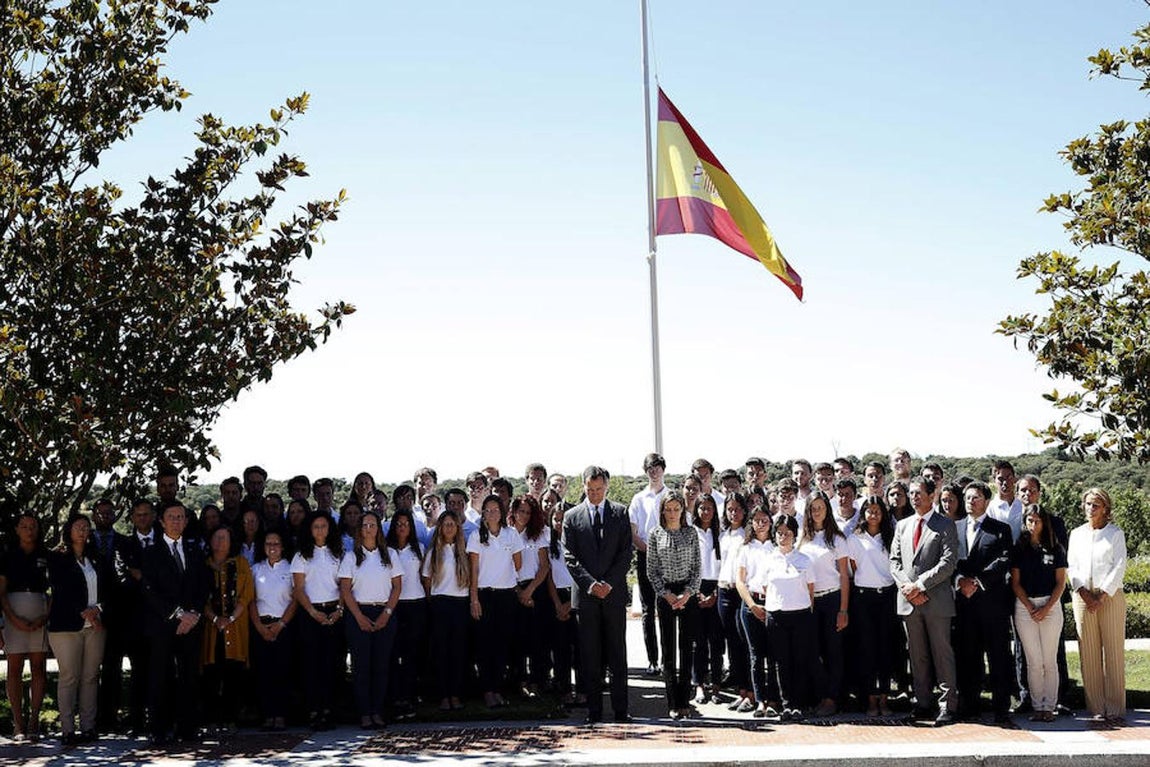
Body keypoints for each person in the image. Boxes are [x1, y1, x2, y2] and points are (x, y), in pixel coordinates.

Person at [563, 465, 633, 724]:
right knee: (589, 656)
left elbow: (626, 553)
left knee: (617, 654)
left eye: (599, 489)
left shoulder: (620, 512)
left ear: (606, 487)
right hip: (586, 598)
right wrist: (592, 585)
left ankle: (621, 710)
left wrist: (609, 583)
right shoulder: (571, 516)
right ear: (583, 486)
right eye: (590, 489)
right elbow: (570, 557)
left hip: (613, 595)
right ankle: (593, 711)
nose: (594, 493)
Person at [889, 477, 958, 727]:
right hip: (909, 602)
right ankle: (923, 703)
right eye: (911, 493)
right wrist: (908, 589)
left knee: (942, 654)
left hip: (936, 601)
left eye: (919, 493)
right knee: (917, 655)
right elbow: (894, 562)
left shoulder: (945, 524)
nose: (914, 497)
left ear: (932, 495)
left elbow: (948, 562)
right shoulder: (903, 525)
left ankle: (947, 705)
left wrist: (919, 585)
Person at [140, 502, 210, 745]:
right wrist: (177, 614)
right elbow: (149, 590)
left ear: (187, 521)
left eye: (181, 517)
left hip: (191, 624)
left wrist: (194, 614)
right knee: (161, 676)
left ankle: (187, 727)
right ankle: (159, 728)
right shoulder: (151, 552)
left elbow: (203, 585)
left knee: (189, 675)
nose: (177, 521)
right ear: (161, 521)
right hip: (163, 624)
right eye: (172, 517)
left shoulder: (194, 550)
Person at [953, 481, 1015, 723]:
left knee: (998, 657)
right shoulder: (955, 528)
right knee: (968, 657)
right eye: (968, 497)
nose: (971, 501)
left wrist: (977, 582)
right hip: (964, 605)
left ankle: (1001, 709)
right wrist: (960, 581)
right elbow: (950, 560)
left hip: (992, 605)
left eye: (976, 497)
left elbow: (1004, 560)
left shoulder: (1000, 529)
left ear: (987, 501)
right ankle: (970, 705)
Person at [47, 514, 108, 745]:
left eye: (86, 527)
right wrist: (84, 612)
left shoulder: (97, 557)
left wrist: (97, 610)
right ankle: (67, 729)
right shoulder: (57, 557)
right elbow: (60, 590)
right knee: (69, 676)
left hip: (96, 625)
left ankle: (88, 727)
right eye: (78, 527)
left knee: (90, 676)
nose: (83, 531)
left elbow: (109, 588)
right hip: (66, 625)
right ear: (69, 530)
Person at [1067, 487, 1127, 723]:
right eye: (1088, 504)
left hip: (1110, 598)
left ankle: (1115, 709)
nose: (1090, 508)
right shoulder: (1076, 534)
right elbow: (1071, 566)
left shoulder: (1115, 534)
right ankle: (1096, 708)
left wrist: (1101, 596)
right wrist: (1084, 593)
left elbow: (1119, 565)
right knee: (1088, 653)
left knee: (1113, 653)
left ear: (1105, 509)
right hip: (1082, 598)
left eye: (1096, 505)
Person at [339, 511, 401, 729]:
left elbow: (397, 587)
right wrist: (359, 617)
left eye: (372, 524)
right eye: (364, 525)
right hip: (358, 614)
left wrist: (386, 613)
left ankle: (377, 711)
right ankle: (364, 713)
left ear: (378, 528)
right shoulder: (350, 556)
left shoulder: (390, 554)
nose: (368, 529)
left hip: (384, 612)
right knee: (361, 667)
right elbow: (345, 589)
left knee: (381, 666)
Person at [646, 491, 701, 720]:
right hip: (665, 593)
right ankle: (672, 702)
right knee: (668, 650)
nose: (672, 513)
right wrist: (665, 594)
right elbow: (651, 570)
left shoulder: (691, 533)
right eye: (668, 509)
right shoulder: (655, 534)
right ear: (662, 511)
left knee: (687, 648)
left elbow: (697, 567)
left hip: (687, 593)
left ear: (682, 510)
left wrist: (687, 594)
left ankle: (684, 700)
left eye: (676, 509)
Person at [1011, 506, 1067, 722]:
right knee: (1034, 661)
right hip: (1025, 608)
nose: (1033, 525)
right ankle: (1037, 706)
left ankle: (1049, 707)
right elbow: (1016, 583)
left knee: (1049, 660)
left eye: (1037, 521)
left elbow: (1061, 583)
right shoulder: (1019, 548)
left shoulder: (1055, 548)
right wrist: (1030, 607)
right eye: (1029, 521)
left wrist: (1046, 608)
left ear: (1044, 523)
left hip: (1050, 606)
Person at [468, 493, 523, 709]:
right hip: (484, 596)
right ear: (483, 513)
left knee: (502, 644)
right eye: (488, 510)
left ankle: (498, 689)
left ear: (502, 512)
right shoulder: (476, 536)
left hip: (506, 596)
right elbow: (473, 570)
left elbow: (518, 564)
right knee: (485, 645)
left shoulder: (511, 534)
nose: (492, 513)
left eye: (496, 510)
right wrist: (474, 599)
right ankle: (487, 691)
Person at [290, 511, 345, 730]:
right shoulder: (302, 555)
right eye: (316, 527)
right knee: (311, 664)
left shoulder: (338, 553)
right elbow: (298, 589)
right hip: (310, 613)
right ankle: (314, 710)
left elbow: (344, 585)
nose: (320, 530)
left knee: (332, 663)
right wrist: (313, 612)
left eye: (323, 526)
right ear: (309, 530)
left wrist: (339, 609)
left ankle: (329, 710)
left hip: (334, 612)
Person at [797, 491, 849, 717]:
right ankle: (818, 696)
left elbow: (844, 576)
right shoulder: (802, 539)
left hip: (831, 599)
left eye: (821, 507)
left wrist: (843, 610)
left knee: (833, 651)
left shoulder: (837, 538)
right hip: (808, 601)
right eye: (813, 508)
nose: (817, 511)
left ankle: (832, 698)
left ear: (828, 509)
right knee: (811, 651)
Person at [1, 513, 50, 742]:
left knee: (39, 668)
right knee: (14, 668)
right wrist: (13, 618)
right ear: (17, 529)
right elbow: (1, 592)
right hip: (13, 613)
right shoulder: (6, 555)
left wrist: (45, 616)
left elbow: (53, 590)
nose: (29, 530)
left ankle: (34, 722)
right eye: (24, 526)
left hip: (40, 613)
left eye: (33, 526)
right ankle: (18, 724)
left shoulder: (46, 555)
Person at [200, 526, 254, 733]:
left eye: (225, 538)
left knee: (234, 674)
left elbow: (246, 595)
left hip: (236, 627)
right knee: (211, 675)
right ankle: (212, 720)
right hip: (210, 628)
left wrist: (230, 618)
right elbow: (199, 597)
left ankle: (231, 718)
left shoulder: (241, 563)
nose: (220, 541)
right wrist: (215, 619)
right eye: (217, 537)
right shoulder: (203, 565)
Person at [762, 514, 816, 722]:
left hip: (801, 614)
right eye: (779, 533)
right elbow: (765, 588)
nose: (783, 537)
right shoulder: (768, 559)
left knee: (800, 660)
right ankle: (786, 705)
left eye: (787, 533)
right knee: (781, 662)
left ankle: (798, 705)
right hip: (776, 615)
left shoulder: (804, 560)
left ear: (795, 535)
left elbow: (810, 590)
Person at [847, 495, 897, 716]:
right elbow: (853, 567)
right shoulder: (854, 539)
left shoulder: (891, 536)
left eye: (877, 510)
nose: (873, 514)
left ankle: (884, 699)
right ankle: (869, 700)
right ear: (863, 513)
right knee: (866, 650)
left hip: (887, 597)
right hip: (863, 598)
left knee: (886, 649)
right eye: (869, 510)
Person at [113, 498, 157, 735]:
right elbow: (123, 580)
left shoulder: (164, 542)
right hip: (134, 619)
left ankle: (160, 719)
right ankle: (137, 721)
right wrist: (150, 580)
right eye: (138, 515)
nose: (142, 518)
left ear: (154, 516)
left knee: (162, 670)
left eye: (146, 514)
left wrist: (142, 576)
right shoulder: (123, 545)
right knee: (138, 671)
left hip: (161, 618)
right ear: (132, 518)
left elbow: (167, 579)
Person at [248, 529, 297, 730]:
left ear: (283, 546)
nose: (272, 547)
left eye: (276, 543)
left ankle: (281, 715)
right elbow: (250, 600)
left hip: (283, 626)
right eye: (268, 543)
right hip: (260, 626)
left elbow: (295, 600)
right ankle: (268, 715)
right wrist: (259, 627)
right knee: (263, 673)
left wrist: (281, 624)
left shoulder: (291, 568)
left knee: (282, 671)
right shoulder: (255, 569)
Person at [421, 510, 470, 711]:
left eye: (452, 524)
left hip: (461, 603)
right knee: (441, 651)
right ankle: (443, 695)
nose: (449, 527)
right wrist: (433, 602)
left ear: (458, 527)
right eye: (445, 524)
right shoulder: (433, 552)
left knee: (458, 651)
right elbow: (426, 581)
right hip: (440, 603)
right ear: (440, 527)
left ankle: (455, 694)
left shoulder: (464, 551)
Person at [735, 505, 780, 718]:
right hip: (750, 604)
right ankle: (760, 700)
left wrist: (768, 603)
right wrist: (752, 605)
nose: (761, 524)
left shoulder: (777, 546)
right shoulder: (746, 548)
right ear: (751, 523)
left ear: (770, 522)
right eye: (757, 520)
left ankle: (774, 700)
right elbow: (740, 581)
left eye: (765, 520)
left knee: (773, 655)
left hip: (773, 604)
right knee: (755, 655)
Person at [626, 452, 668, 677]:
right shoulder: (638, 499)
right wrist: (649, 551)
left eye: (657, 468)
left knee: (666, 608)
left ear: (663, 470)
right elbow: (633, 533)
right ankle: (653, 660)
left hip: (668, 558)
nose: (654, 472)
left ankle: (667, 659)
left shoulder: (671, 495)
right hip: (645, 557)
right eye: (650, 469)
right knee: (647, 610)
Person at [385, 507, 426, 720]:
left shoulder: (419, 548)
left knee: (412, 654)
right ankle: (394, 698)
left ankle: (409, 697)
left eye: (406, 524)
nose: (402, 527)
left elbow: (424, 576)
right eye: (399, 524)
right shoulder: (386, 550)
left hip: (416, 604)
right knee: (393, 653)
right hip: (394, 606)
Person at [510, 494, 552, 697]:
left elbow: (544, 566)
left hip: (536, 589)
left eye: (528, 512)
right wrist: (519, 592)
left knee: (537, 640)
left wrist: (529, 591)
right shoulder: (507, 533)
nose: (524, 515)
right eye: (521, 511)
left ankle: (537, 681)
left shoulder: (538, 534)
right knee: (517, 640)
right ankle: (519, 681)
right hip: (513, 589)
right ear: (514, 511)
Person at [543, 489, 580, 705]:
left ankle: (583, 690)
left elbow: (581, 574)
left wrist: (570, 603)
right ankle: (564, 689)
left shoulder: (579, 542)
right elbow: (548, 576)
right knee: (560, 648)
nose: (559, 523)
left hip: (577, 597)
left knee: (580, 648)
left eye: (563, 519)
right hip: (556, 597)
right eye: (556, 519)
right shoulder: (549, 544)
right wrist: (558, 604)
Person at [717, 491, 753, 713]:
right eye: (730, 509)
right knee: (732, 644)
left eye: (737, 509)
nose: (734, 513)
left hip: (742, 592)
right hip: (724, 591)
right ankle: (741, 691)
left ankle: (751, 693)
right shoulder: (723, 535)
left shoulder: (748, 535)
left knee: (745, 643)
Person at [692, 493, 724, 705]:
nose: (705, 512)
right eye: (702, 508)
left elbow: (725, 565)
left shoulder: (721, 534)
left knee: (716, 642)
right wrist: (696, 592)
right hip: (695, 588)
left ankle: (716, 685)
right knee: (698, 642)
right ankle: (699, 685)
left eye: (709, 508)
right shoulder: (690, 532)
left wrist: (714, 594)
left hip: (717, 588)